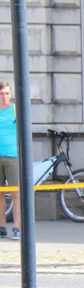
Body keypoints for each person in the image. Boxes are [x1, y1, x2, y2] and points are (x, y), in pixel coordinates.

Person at [0, 82, 21, 240]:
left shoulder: (16, 110)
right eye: (2, 94)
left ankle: (17, 227)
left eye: (7, 94)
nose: (5, 97)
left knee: (15, 193)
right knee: (0, 194)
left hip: (12, 155)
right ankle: (2, 227)